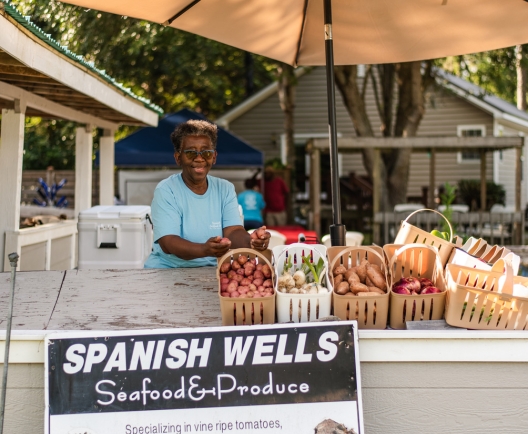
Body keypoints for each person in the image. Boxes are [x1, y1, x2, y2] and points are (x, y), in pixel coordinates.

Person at [144, 120, 270, 268]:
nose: (199, 158)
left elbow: (233, 231)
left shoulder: (225, 188)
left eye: (206, 152)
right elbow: (168, 242)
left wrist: (251, 242)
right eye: (191, 152)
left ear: (214, 157)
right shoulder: (166, 190)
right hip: (168, 270)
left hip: (212, 271)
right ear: (178, 158)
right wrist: (204, 249)